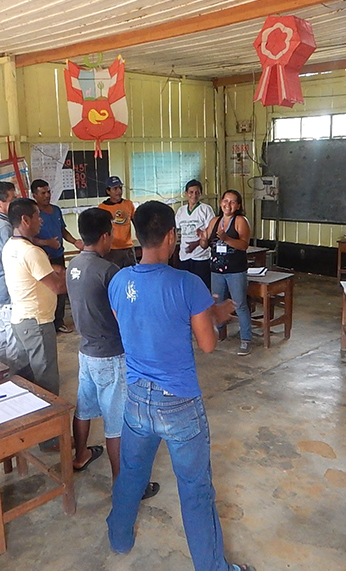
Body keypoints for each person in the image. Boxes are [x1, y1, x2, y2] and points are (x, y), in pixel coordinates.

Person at [106, 201, 256, 571]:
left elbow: (130, 325)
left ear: (138, 235)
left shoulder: (119, 281)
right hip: (179, 403)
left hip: (137, 397)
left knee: (132, 473)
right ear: (172, 236)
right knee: (195, 489)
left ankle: (119, 537)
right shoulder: (187, 283)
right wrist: (216, 315)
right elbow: (207, 344)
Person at [66, 207, 159, 499]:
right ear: (106, 236)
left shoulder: (73, 265)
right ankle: (124, 484)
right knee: (117, 422)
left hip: (86, 351)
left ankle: (80, 455)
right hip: (111, 354)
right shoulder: (108, 271)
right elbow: (124, 316)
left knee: (84, 407)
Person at [3, 198, 67, 450]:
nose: (41, 220)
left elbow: (34, 272)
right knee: (47, 382)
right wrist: (71, 275)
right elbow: (58, 287)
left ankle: (24, 431)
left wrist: (51, 269)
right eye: (37, 216)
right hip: (39, 322)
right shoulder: (33, 252)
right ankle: (50, 440)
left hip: (20, 319)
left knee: (24, 377)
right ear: (25, 220)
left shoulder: (11, 246)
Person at [197, 189, 253, 357]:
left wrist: (226, 238)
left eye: (232, 202)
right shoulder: (215, 221)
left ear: (238, 206)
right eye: (225, 201)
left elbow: (244, 245)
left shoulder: (240, 221)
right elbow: (204, 245)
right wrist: (202, 238)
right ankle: (219, 333)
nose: (228, 205)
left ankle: (246, 339)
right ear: (221, 202)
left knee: (239, 304)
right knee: (218, 303)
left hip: (235, 271)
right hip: (216, 270)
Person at [0, 181, 29, 376]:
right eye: (12, 199)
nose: (16, 202)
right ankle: (12, 379)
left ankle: (0, 373)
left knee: (2, 336)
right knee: (12, 339)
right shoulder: (3, 226)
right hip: (7, 288)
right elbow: (12, 257)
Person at [30, 179, 83, 333]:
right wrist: (47, 242)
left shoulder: (56, 210)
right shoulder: (34, 214)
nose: (47, 195)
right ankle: (47, 322)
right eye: (43, 193)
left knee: (60, 290)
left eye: (48, 192)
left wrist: (74, 242)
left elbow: (63, 231)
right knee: (46, 291)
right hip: (43, 258)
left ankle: (58, 321)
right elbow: (30, 238)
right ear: (34, 195)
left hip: (58, 255)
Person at [175, 179, 214, 290]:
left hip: (201, 257)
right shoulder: (181, 211)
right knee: (186, 288)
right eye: (191, 192)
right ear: (186, 194)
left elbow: (210, 232)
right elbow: (176, 230)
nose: (194, 195)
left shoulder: (206, 209)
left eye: (197, 192)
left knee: (202, 288)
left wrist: (196, 243)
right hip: (184, 256)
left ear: (200, 194)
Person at [98, 176, 136, 268]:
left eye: (120, 188)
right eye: (115, 188)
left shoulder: (128, 204)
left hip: (128, 248)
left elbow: (136, 222)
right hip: (112, 249)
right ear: (108, 191)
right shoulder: (102, 208)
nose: (119, 191)